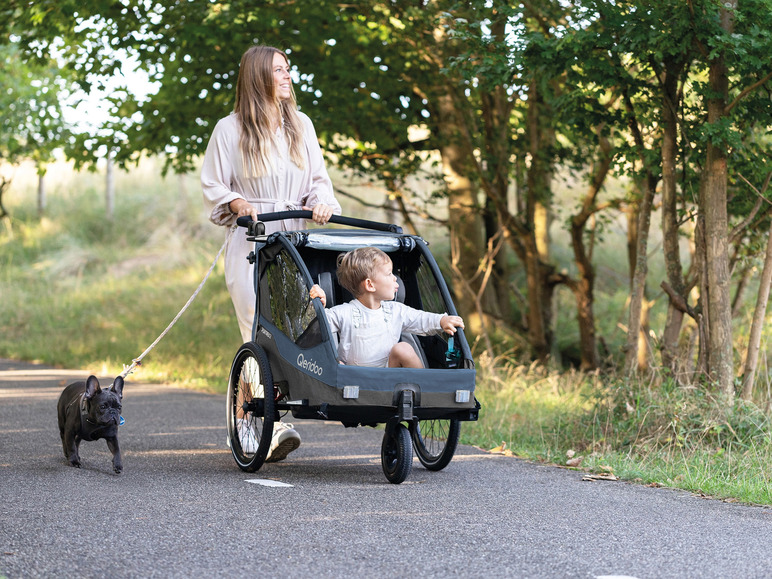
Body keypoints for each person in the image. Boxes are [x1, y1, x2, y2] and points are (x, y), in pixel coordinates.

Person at [202, 45, 341, 462]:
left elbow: (319, 179)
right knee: (256, 330)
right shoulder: (229, 130)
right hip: (253, 239)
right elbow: (214, 185)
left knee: (297, 328)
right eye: (278, 69)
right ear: (258, 76)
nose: (287, 75)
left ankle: (275, 411)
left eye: (287, 68)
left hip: (295, 239)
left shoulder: (301, 125)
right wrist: (238, 204)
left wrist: (320, 202)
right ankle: (267, 424)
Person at [310, 247, 464, 368]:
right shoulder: (344, 312)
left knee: (402, 348)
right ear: (370, 284)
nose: (395, 278)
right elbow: (316, 328)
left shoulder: (395, 310)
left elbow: (421, 319)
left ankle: (424, 391)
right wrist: (319, 304)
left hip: (388, 374)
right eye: (389, 273)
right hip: (352, 380)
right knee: (336, 363)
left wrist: (442, 320)